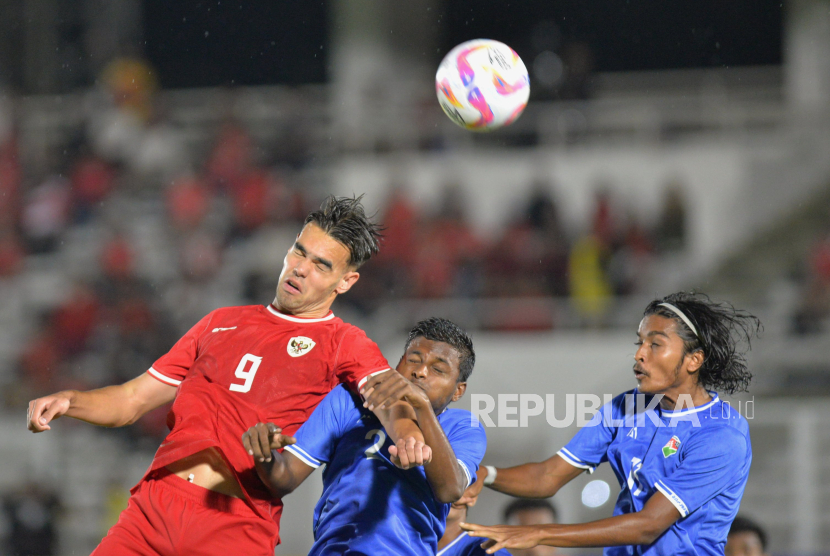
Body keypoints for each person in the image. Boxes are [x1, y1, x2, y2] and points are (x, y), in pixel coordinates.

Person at [26, 196, 427, 556]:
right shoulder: (220, 323)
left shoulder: (345, 342)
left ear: (346, 281)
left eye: (321, 265)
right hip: (151, 514)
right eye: (299, 252)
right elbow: (132, 400)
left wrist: (408, 435)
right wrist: (71, 401)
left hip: (234, 526)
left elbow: (388, 397)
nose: (300, 269)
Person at [459, 292, 761, 555]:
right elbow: (547, 476)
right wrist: (486, 474)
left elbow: (648, 526)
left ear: (693, 360)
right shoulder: (625, 407)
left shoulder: (721, 434)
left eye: (655, 344)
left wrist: (540, 532)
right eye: (640, 342)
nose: (639, 354)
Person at [241, 317, 487, 555]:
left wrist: (421, 406)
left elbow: (450, 490)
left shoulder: (463, 426)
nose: (420, 372)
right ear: (397, 364)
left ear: (458, 391)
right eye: (414, 360)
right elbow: (284, 480)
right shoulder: (348, 401)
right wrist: (265, 453)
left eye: (437, 369)